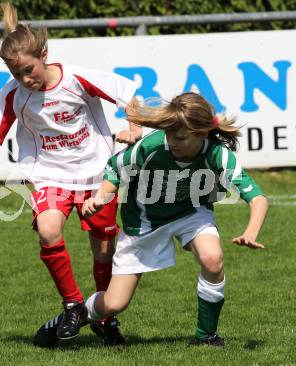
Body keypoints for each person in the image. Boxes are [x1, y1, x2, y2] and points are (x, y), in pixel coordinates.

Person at [0, 3, 140, 346]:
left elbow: (129, 95)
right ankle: (73, 304)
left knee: (103, 250)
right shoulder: (14, 94)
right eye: (17, 74)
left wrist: (132, 129)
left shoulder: (76, 79)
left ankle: (105, 318)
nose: (25, 79)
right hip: (50, 176)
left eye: (29, 69)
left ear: (44, 54)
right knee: (48, 229)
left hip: (97, 174)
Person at [81, 92, 268, 346]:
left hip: (192, 212)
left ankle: (206, 337)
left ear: (201, 133)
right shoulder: (152, 146)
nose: (172, 142)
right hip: (144, 220)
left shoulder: (218, 155)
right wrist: (100, 197)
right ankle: (76, 314)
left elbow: (257, 198)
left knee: (213, 259)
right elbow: (115, 168)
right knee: (114, 303)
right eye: (169, 134)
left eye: (180, 137)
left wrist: (251, 232)